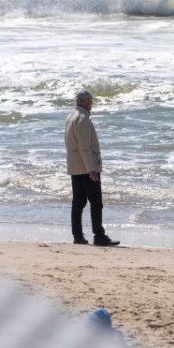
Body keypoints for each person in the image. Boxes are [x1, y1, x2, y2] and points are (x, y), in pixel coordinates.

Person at [65, 90, 118, 246]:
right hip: (85, 167)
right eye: (90, 101)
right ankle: (99, 236)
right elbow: (84, 148)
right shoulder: (83, 119)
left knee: (78, 202)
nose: (92, 104)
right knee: (96, 202)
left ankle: (77, 236)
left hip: (75, 166)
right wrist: (91, 170)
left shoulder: (70, 116)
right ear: (85, 102)